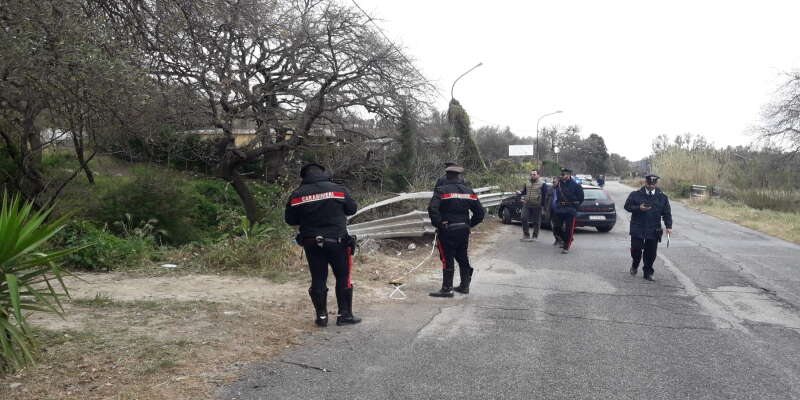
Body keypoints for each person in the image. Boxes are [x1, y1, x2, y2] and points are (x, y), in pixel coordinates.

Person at [284, 163, 361, 327]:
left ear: (303, 177)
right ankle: (344, 315)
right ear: (324, 173)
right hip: (337, 241)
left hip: (311, 242)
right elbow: (352, 209)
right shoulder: (338, 189)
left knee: (318, 278)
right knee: (343, 277)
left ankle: (321, 317)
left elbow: (290, 220)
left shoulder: (297, 194)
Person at [427, 165, 485, 297]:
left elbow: (432, 208)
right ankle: (464, 286)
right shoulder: (469, 191)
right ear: (459, 176)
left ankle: (447, 289)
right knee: (462, 256)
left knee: (447, 258)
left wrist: (439, 223)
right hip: (463, 229)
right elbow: (480, 213)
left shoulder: (441, 190)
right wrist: (469, 224)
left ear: (447, 176)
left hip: (447, 229)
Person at [623, 174, 673, 281]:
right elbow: (627, 206)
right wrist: (638, 208)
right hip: (638, 226)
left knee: (651, 252)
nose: (651, 186)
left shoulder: (662, 197)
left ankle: (648, 272)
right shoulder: (635, 194)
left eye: (653, 184)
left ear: (656, 184)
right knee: (636, 249)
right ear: (645, 183)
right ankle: (635, 264)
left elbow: (667, 212)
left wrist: (669, 226)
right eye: (649, 184)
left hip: (653, 228)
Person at [551, 168, 584, 254]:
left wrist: (575, 207)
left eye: (563, 174)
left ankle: (566, 246)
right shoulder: (558, 184)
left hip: (570, 209)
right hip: (560, 208)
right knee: (556, 228)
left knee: (569, 229)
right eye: (561, 174)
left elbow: (581, 198)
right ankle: (568, 239)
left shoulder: (576, 185)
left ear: (569, 175)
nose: (561, 176)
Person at [515, 169, 546, 241]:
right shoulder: (527, 182)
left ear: (538, 175)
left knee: (536, 221)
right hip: (527, 203)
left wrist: (543, 206)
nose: (532, 176)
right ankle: (526, 235)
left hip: (537, 205)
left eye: (534, 174)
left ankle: (535, 236)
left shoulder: (542, 184)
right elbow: (525, 191)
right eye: (531, 174)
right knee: (523, 217)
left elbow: (545, 196)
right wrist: (520, 192)